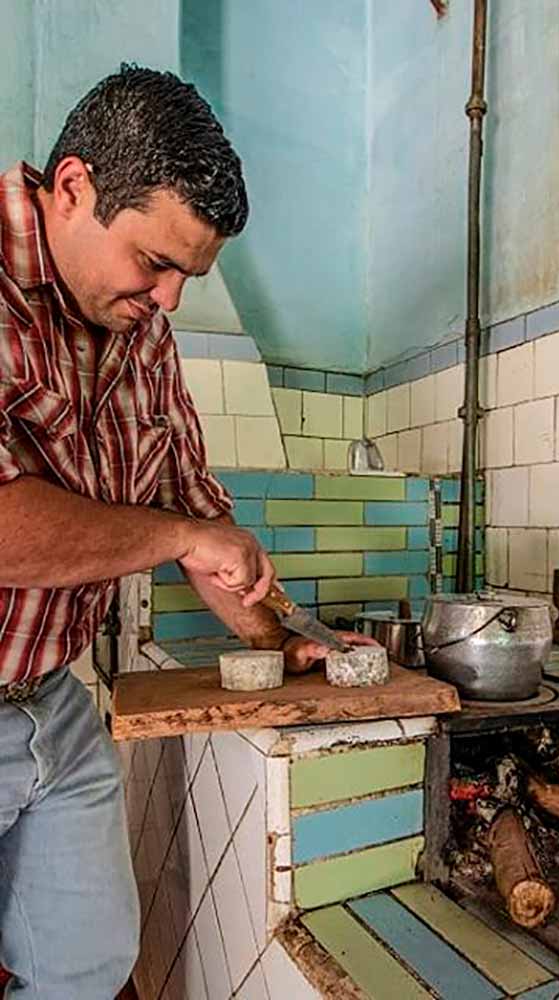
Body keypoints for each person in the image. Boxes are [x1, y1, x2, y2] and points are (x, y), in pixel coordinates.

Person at [0, 65, 374, 999]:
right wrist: (176, 538)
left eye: (188, 276)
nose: (169, 299)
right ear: (75, 187)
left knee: (85, 971)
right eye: (154, 263)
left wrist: (284, 639)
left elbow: (200, 517)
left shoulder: (142, 337)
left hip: (51, 705)